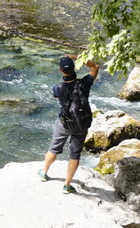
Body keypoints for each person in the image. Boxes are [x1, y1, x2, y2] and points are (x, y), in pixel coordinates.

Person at [40, 54, 99, 193]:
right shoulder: (84, 83)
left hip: (64, 123)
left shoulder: (57, 88)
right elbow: (94, 67)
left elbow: (58, 97)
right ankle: (67, 185)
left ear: (61, 71)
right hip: (81, 124)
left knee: (54, 148)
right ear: (75, 67)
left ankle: (43, 173)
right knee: (75, 154)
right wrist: (78, 57)